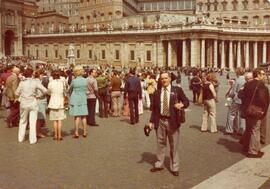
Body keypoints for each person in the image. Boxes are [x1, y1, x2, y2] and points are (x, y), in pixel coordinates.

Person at [148, 71, 189, 177]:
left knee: (173, 145)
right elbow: (154, 109)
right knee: (160, 144)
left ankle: (174, 167)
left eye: (166, 78)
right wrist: (151, 122)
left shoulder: (177, 90)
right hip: (160, 120)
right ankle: (159, 164)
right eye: (162, 79)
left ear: (170, 79)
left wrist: (182, 104)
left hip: (173, 121)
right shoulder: (157, 92)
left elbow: (186, 101)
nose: (164, 80)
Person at [239, 68, 269, 158]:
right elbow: (263, 100)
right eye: (263, 74)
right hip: (256, 111)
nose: (264, 76)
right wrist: (263, 110)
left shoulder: (247, 84)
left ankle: (246, 147)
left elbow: (240, 94)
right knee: (255, 130)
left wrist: (245, 104)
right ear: (258, 74)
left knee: (248, 128)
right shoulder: (261, 85)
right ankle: (253, 151)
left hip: (247, 110)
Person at [15, 68, 47, 144]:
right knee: (33, 121)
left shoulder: (22, 83)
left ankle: (21, 138)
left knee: (23, 120)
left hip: (24, 103)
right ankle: (32, 140)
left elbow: (17, 93)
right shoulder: (35, 82)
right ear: (32, 74)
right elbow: (45, 90)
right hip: (33, 102)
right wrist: (38, 95)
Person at [225, 67, 246, 135]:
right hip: (243, 100)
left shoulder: (237, 80)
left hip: (236, 100)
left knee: (231, 114)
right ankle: (241, 130)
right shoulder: (246, 80)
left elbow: (233, 92)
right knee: (242, 115)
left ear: (237, 72)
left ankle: (229, 130)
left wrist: (229, 96)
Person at [69, 65, 88, 138]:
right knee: (83, 116)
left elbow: (69, 89)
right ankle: (85, 132)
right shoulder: (85, 80)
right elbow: (86, 89)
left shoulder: (74, 81)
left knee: (76, 116)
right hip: (83, 98)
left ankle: (76, 132)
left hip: (75, 99)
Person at [47, 70, 66, 141]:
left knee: (55, 120)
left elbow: (48, 92)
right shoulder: (62, 83)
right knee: (59, 120)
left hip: (53, 102)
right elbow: (64, 91)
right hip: (60, 102)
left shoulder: (51, 83)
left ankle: (55, 135)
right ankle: (60, 135)